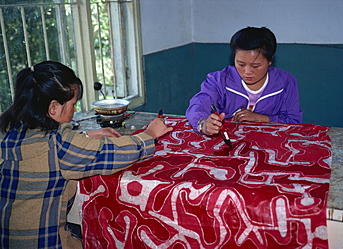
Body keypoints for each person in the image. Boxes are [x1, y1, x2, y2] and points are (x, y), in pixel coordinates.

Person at [0, 61, 173, 248]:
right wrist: (149, 135)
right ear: (53, 108)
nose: (74, 110)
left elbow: (46, 147)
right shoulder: (61, 144)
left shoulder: (10, 133)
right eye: (73, 104)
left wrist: (86, 136)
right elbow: (111, 153)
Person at [186, 26, 303, 136]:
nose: (247, 71)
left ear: (270, 61)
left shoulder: (286, 82)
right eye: (240, 64)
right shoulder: (219, 80)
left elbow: (293, 121)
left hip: (268, 143)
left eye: (256, 66)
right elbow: (198, 105)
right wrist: (203, 124)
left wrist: (260, 118)